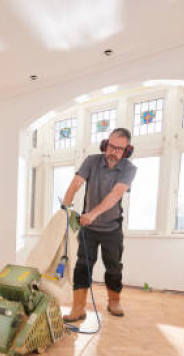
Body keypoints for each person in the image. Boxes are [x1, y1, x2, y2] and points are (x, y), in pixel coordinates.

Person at [60, 128, 137, 321]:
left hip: (112, 228)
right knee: (82, 266)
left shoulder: (129, 168)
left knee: (113, 267)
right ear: (105, 144)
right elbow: (76, 183)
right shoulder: (92, 161)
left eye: (119, 149)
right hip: (89, 230)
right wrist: (65, 207)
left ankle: (114, 302)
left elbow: (116, 194)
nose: (113, 151)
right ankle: (78, 308)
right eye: (111, 146)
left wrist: (93, 213)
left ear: (126, 150)